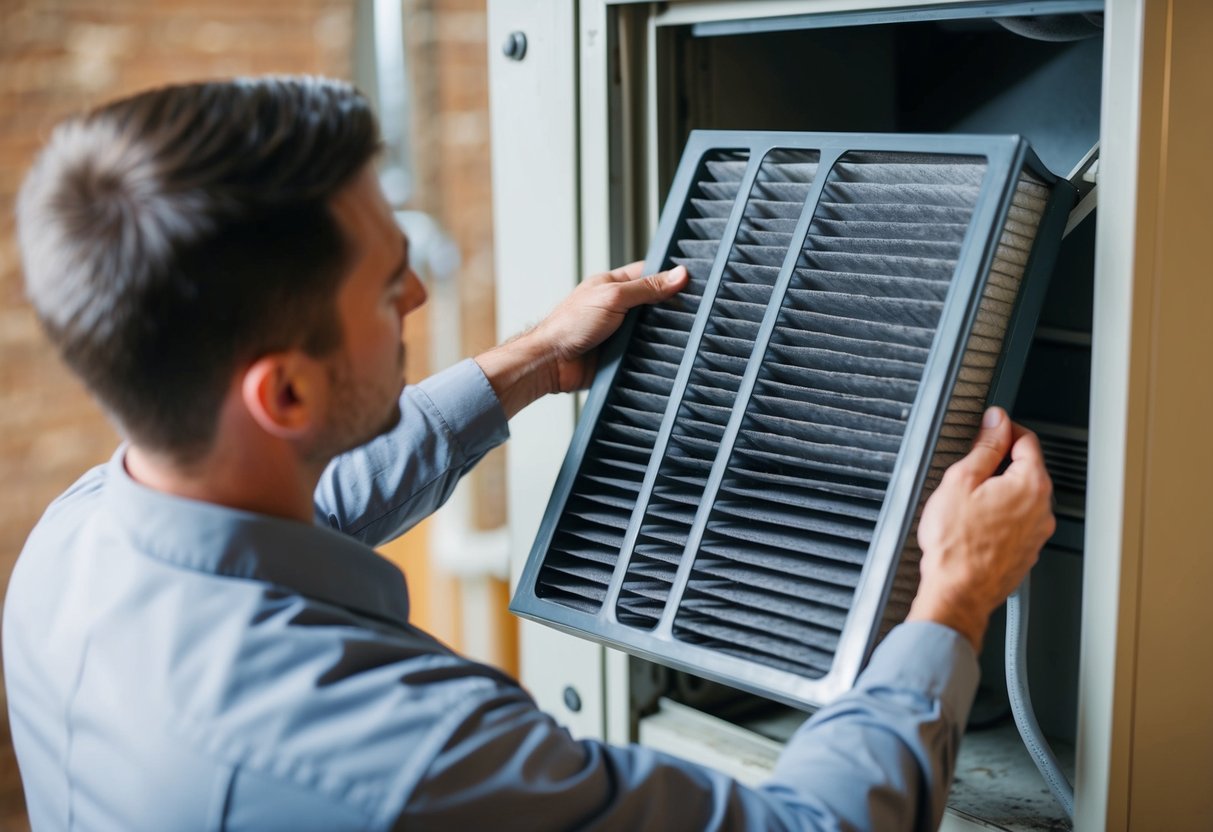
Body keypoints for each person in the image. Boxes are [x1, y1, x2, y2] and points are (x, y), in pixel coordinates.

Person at [4, 77, 1055, 831]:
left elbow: (310, 500)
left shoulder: (75, 542)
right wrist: (952, 597)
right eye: (387, 284)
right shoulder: (400, 756)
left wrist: (533, 361)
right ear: (282, 390)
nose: (419, 296)